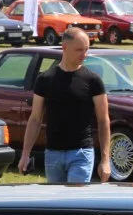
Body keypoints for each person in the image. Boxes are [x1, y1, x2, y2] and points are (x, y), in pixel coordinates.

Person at [18, 26, 111, 184]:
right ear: (64, 48)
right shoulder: (45, 79)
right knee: (56, 203)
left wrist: (105, 159)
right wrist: (25, 154)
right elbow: (35, 119)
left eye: (87, 49)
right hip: (53, 153)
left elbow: (103, 120)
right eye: (79, 50)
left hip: (81, 153)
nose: (84, 54)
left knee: (75, 201)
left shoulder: (92, 80)